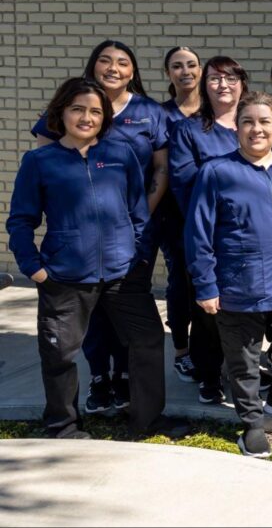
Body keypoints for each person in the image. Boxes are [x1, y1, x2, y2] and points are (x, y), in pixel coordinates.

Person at [8, 77, 185, 439]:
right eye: (77, 109)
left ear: (105, 118)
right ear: (62, 113)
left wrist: (135, 251)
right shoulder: (40, 161)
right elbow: (21, 220)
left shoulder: (119, 154)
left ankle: (147, 420)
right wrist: (35, 269)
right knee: (60, 354)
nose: (86, 117)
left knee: (149, 340)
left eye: (95, 111)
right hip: (66, 277)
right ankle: (63, 425)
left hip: (123, 274)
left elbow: (138, 208)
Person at [186, 92, 272, 458]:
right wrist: (206, 284)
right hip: (240, 286)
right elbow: (198, 234)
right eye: (248, 121)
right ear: (236, 127)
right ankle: (250, 424)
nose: (256, 129)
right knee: (244, 363)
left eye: (265, 121)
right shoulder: (216, 172)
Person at [31, 40, 169, 416]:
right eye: (105, 60)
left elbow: (159, 170)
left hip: (128, 239)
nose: (113, 67)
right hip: (74, 246)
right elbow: (44, 174)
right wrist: (35, 264)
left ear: (133, 70)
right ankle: (98, 378)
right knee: (84, 320)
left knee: (130, 316)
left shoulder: (146, 114)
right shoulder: (62, 122)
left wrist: (135, 232)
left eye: (123, 62)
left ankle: (126, 381)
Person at [169, 56, 250, 405]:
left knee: (246, 309)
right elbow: (186, 185)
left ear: (242, 84)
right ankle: (209, 375)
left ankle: (243, 370)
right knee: (207, 311)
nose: (223, 85)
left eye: (231, 78)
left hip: (251, 237)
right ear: (205, 85)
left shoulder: (256, 124)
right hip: (209, 236)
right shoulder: (190, 130)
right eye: (215, 79)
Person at [160, 46, 203, 382]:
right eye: (177, 66)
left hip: (212, 215)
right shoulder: (161, 115)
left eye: (191, 65)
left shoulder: (215, 113)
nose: (185, 71)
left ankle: (210, 349)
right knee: (181, 282)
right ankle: (182, 350)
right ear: (168, 73)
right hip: (173, 214)